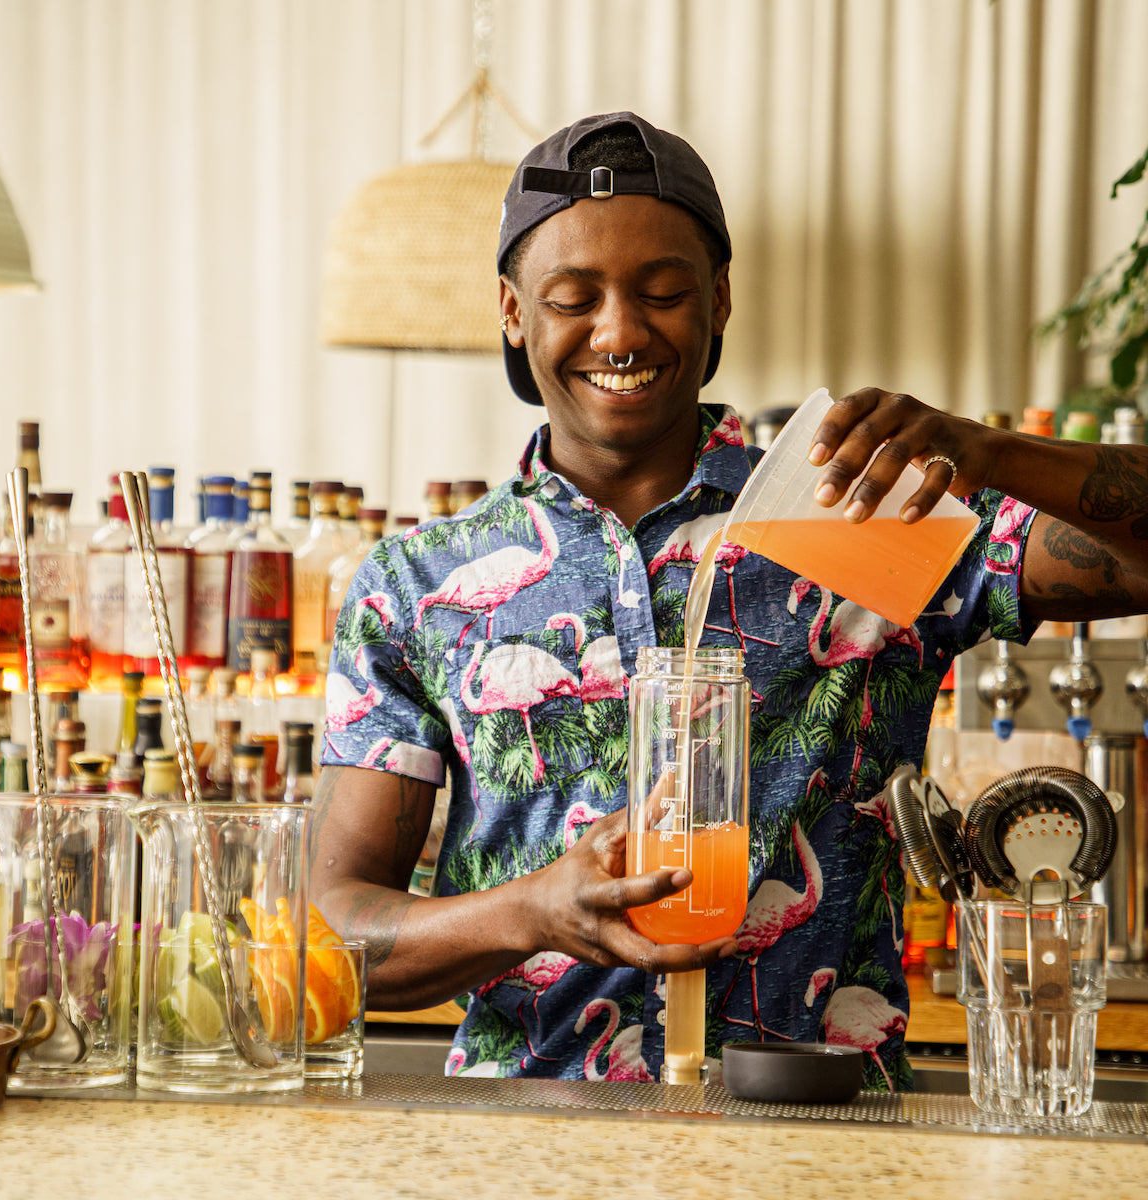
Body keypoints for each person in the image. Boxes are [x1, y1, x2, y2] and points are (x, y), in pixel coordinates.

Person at [312, 111, 1148, 1088]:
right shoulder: (419, 586)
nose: (620, 331)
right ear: (513, 313)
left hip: (824, 1135)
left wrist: (993, 450)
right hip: (521, 1142)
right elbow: (329, 929)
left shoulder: (854, 516)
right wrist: (531, 912)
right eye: (573, 298)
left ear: (719, 299)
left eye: (662, 292)